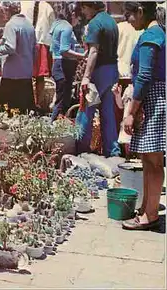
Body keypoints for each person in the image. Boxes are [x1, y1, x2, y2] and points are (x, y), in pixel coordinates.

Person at [122, 2, 165, 231]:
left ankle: (151, 214)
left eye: (129, 14)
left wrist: (131, 112)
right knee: (149, 160)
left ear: (140, 11)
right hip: (154, 97)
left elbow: (145, 75)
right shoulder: (156, 33)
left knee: (153, 161)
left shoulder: (151, 35)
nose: (129, 19)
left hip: (154, 99)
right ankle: (148, 208)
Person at [77, 1, 121, 157]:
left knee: (85, 111)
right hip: (112, 70)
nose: (83, 11)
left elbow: (94, 51)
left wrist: (86, 77)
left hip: (99, 72)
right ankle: (113, 150)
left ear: (91, 6)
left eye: (84, 7)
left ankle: (81, 149)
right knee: (107, 112)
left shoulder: (95, 23)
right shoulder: (111, 21)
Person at [0, 1, 36, 114]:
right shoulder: (29, 25)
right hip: (26, 74)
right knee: (24, 112)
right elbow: (34, 49)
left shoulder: (11, 24)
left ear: (7, 9)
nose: (3, 14)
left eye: (3, 11)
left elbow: (10, 47)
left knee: (7, 112)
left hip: (12, 75)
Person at [49, 3, 86, 121]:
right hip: (64, 66)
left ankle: (55, 125)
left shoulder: (57, 24)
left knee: (61, 99)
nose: (79, 20)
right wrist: (81, 56)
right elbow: (64, 50)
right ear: (73, 14)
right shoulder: (67, 27)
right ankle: (53, 126)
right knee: (62, 102)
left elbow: (53, 48)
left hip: (57, 64)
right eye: (79, 17)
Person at [21, 1, 55, 109]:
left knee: (27, 75)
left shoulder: (23, 3)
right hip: (41, 42)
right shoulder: (47, 6)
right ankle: (38, 104)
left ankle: (30, 103)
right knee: (39, 77)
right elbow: (52, 26)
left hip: (28, 41)